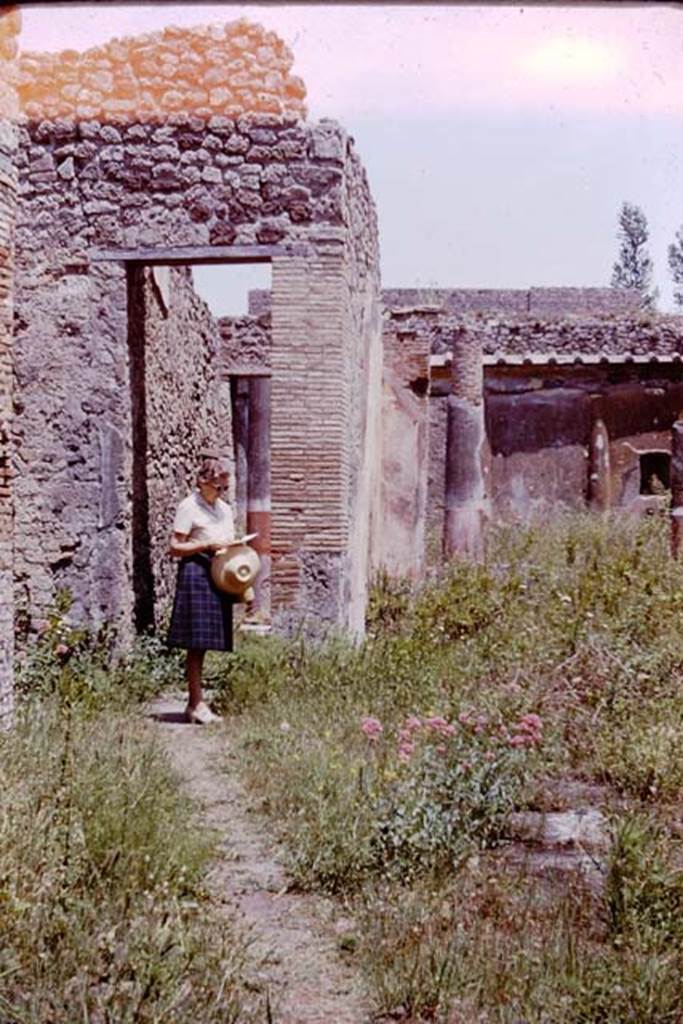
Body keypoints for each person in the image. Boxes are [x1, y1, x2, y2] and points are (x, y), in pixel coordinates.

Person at [167, 453, 236, 724]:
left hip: (219, 571)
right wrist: (205, 546)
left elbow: (226, 539)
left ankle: (196, 702)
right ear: (202, 482)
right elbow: (175, 547)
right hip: (196, 570)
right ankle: (195, 703)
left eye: (224, 488)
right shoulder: (189, 507)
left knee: (207, 642)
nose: (220, 492)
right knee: (196, 643)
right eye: (216, 486)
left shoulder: (225, 509)